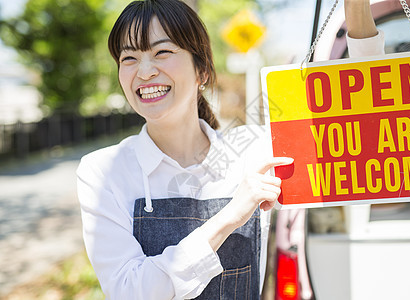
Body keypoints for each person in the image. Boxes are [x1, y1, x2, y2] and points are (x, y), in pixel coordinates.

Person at [77, 0, 384, 299]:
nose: (144, 72)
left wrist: (356, 7)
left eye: (162, 52)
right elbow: (130, 291)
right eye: (128, 58)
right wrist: (231, 216)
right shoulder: (103, 172)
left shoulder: (255, 151)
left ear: (203, 72)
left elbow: (360, 115)